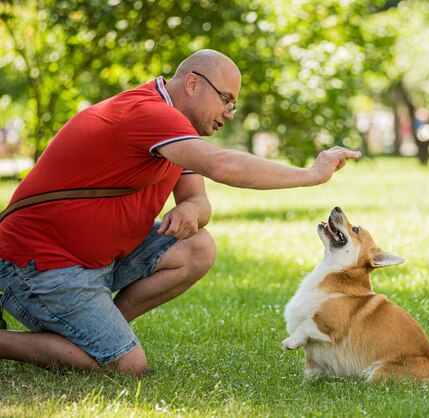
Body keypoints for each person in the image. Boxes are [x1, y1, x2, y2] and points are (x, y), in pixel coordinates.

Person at [0, 49, 361, 376]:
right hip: (38, 263)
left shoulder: (176, 134)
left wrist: (190, 209)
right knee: (127, 366)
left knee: (199, 247)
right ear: (192, 84)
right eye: (226, 100)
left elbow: (199, 202)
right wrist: (311, 175)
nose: (230, 114)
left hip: (93, 260)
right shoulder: (149, 113)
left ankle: (100, 332)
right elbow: (221, 165)